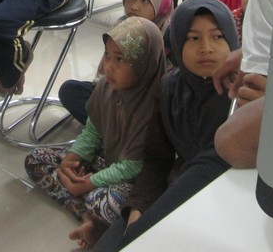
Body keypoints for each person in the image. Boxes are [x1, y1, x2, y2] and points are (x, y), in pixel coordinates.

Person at [94, 0, 239, 251]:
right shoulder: (170, 88)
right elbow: (156, 158)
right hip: (175, 183)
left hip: (225, 202)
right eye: (193, 38)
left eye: (217, 36)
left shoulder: (242, 95)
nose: (206, 48)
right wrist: (138, 209)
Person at [25, 17, 167, 249]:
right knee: (36, 159)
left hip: (133, 181)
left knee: (108, 202)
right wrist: (73, 159)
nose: (109, 66)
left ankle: (91, 212)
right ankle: (87, 218)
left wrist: (90, 183)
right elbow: (93, 130)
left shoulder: (156, 102)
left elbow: (135, 166)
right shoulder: (106, 87)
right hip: (106, 161)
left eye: (120, 59)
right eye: (107, 55)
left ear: (144, 64)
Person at [58, 0, 173, 125]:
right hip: (115, 93)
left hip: (145, 102)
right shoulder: (122, 24)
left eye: (145, 0)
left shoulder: (168, 35)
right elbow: (105, 74)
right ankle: (109, 128)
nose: (134, 6)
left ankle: (109, 128)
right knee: (70, 91)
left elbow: (168, 87)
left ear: (161, 4)